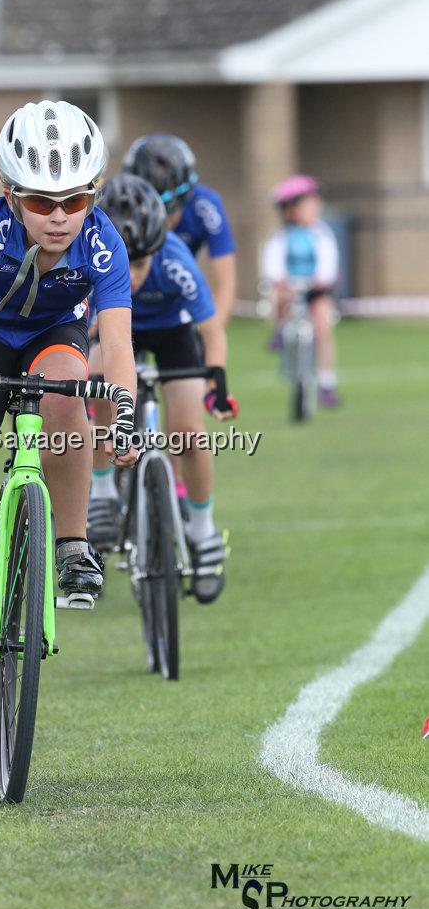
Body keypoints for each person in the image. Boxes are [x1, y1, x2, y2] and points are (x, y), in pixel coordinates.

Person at [0, 100, 138, 702]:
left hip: (51, 336)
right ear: (11, 196)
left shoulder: (102, 242)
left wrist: (124, 417)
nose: (60, 217)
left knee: (69, 396)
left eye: (76, 200)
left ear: (93, 197)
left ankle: (71, 544)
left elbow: (116, 345)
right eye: (42, 201)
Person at [87, 173, 238, 604]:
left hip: (172, 333)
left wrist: (217, 378)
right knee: (99, 387)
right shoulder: (88, 258)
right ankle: (100, 491)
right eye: (123, 264)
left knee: (188, 432)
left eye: (139, 264)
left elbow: (211, 332)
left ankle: (203, 531)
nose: (130, 276)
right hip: (116, 333)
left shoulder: (174, 260)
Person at [122, 134, 237, 514]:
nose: (159, 218)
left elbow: (223, 284)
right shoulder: (117, 205)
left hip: (179, 316)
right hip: (123, 318)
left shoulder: (205, 209)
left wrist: (209, 364)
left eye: (169, 208)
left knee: (185, 428)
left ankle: (180, 500)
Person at [261, 175, 340, 407]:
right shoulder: (281, 237)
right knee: (280, 298)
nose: (314, 209)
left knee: (322, 325)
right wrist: (279, 280)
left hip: (314, 290)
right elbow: (272, 265)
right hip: (291, 288)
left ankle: (326, 383)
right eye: (308, 204)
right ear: (291, 209)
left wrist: (323, 280)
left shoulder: (321, 234)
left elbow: (328, 263)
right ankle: (279, 331)